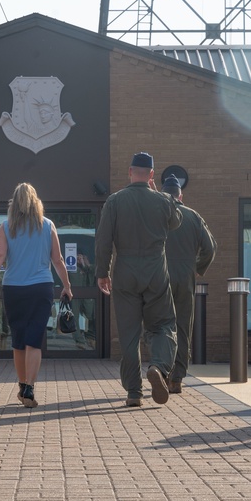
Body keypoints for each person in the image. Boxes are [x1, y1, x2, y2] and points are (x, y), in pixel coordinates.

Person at [94, 152, 182, 407]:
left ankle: (134, 392)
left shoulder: (115, 201)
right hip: (156, 271)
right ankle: (159, 366)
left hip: (125, 272)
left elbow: (103, 240)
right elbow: (176, 222)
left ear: (130, 172)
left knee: (129, 335)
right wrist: (161, 195)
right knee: (164, 324)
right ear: (152, 175)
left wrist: (102, 272)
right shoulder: (164, 201)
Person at [0, 183, 73, 408]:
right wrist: (67, 285)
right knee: (34, 339)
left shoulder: (6, 227)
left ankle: (22, 383)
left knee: (19, 340)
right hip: (41, 286)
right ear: (36, 202)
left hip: (14, 287)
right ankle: (29, 387)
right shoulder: (48, 225)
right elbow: (58, 260)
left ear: (13, 203)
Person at [160, 176, 217, 394]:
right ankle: (177, 378)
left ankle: (162, 370)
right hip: (185, 278)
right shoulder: (193, 216)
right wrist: (197, 268)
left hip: (160, 276)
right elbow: (210, 248)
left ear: (164, 194)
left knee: (161, 326)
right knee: (183, 327)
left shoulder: (158, 215)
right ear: (180, 195)